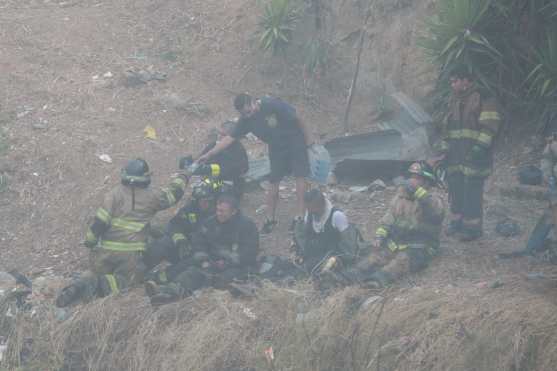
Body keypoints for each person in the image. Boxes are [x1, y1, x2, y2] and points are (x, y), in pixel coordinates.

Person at [56, 159, 188, 307]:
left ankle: (79, 285)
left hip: (103, 253)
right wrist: (184, 174)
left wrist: (91, 241)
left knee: (95, 271)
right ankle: (95, 286)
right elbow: (173, 194)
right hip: (129, 257)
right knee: (125, 282)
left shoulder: (113, 194)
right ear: (145, 178)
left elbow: (99, 223)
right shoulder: (152, 196)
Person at [197, 94, 313, 234]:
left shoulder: (272, 104)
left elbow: (298, 118)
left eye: (249, 111)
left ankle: (299, 217)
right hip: (276, 148)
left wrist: (308, 140)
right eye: (243, 114)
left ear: (254, 102)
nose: (247, 115)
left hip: (295, 141)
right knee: (273, 181)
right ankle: (270, 218)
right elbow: (229, 138)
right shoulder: (246, 120)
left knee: (300, 177)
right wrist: (209, 154)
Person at [147, 194, 260, 304]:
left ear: (234, 212)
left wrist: (226, 263)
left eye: (222, 211)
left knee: (220, 279)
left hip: (236, 266)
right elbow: (199, 241)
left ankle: (181, 292)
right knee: (193, 271)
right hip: (212, 261)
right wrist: (203, 258)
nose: (218, 213)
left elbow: (249, 253)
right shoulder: (210, 222)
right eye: (217, 209)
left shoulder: (247, 226)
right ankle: (167, 292)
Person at [355, 162, 445, 287]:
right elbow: (388, 219)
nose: (412, 181)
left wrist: (417, 192)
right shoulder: (400, 197)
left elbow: (435, 212)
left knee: (400, 262)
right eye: (412, 177)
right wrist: (380, 236)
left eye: (417, 178)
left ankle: (376, 282)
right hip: (397, 242)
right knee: (374, 258)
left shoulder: (434, 198)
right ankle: (349, 277)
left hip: (421, 246)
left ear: (427, 181)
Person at [438, 66, 501, 241]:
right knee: (456, 189)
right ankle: (457, 223)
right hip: (455, 157)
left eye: (455, 81)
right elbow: (446, 128)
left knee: (472, 192)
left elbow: (491, 126)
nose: (452, 85)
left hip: (475, 156)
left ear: (466, 80)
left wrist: (479, 148)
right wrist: (443, 149)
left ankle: (472, 229)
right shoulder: (452, 99)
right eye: (451, 82)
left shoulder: (484, 97)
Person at [142, 179, 219, 283]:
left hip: (199, 254)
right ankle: (141, 269)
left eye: (209, 201)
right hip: (182, 248)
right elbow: (175, 225)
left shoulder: (217, 215)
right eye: (203, 201)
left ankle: (160, 279)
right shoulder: (190, 209)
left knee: (192, 262)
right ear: (196, 200)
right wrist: (180, 241)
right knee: (164, 243)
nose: (206, 204)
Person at [292, 189, 364, 288]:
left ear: (321, 204)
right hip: (315, 256)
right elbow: (304, 238)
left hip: (333, 258)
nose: (311, 212)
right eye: (308, 208)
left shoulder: (337, 216)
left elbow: (349, 248)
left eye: (313, 208)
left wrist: (339, 259)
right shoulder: (309, 214)